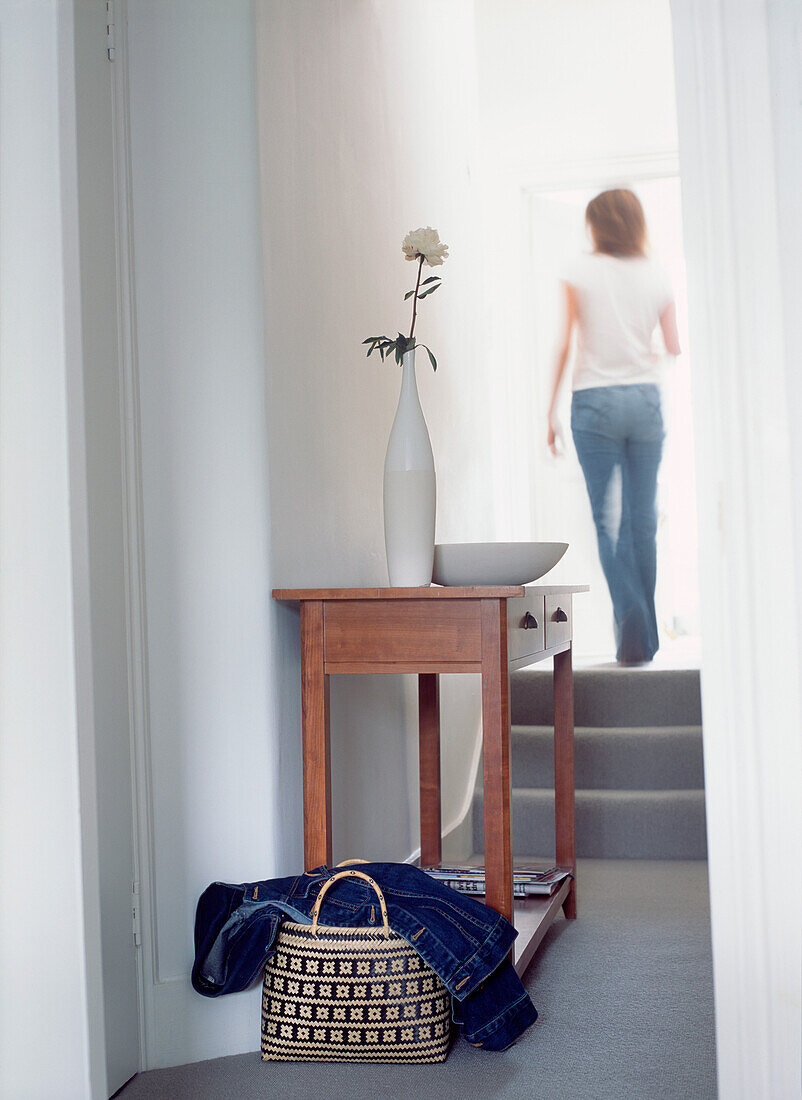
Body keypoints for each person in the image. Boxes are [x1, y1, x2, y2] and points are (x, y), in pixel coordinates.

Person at [547, 188, 681, 664]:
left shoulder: (580, 269)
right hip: (645, 399)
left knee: (608, 521)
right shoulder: (656, 270)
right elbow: (673, 345)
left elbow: (565, 343)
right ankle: (645, 634)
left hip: (594, 402)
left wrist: (549, 410)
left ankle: (631, 617)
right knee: (642, 523)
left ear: (596, 225)